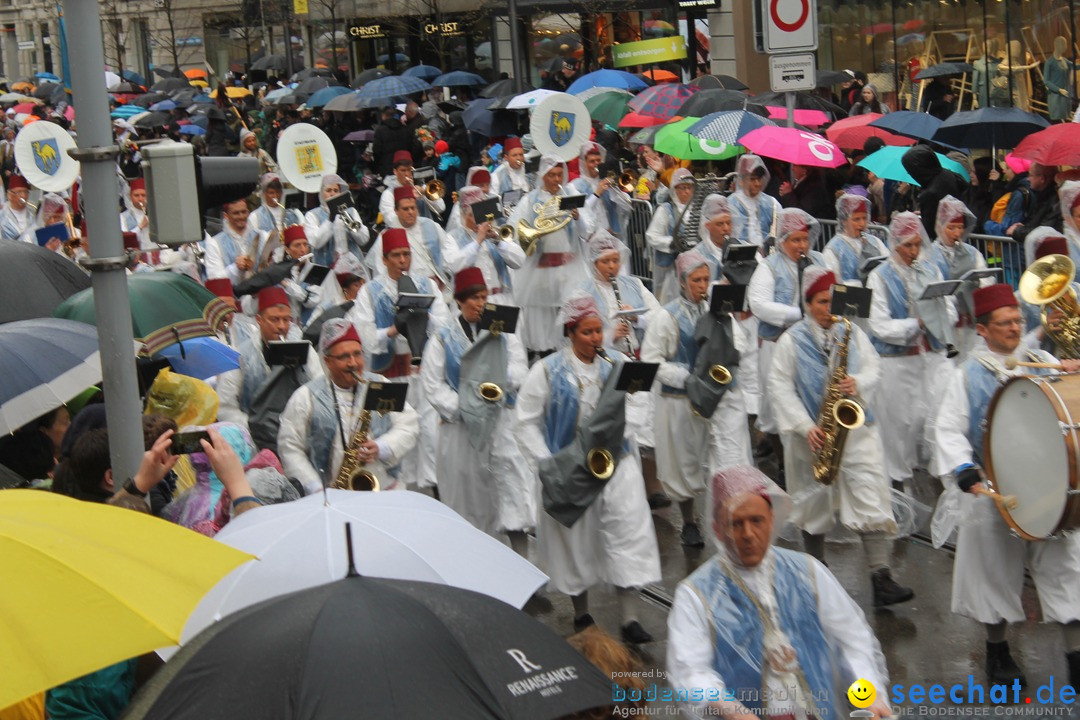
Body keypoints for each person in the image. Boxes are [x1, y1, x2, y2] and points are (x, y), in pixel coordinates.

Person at [932, 283, 1080, 687]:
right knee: (993, 573)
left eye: (1017, 319)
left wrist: (1073, 370)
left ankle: (1075, 656)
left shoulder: (1042, 359)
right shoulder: (966, 375)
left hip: (1050, 486)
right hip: (994, 491)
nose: (1015, 327)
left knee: (1067, 569)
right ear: (983, 329)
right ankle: (997, 650)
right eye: (1005, 323)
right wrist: (964, 468)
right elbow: (947, 428)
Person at [666, 465, 891, 720]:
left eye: (756, 521)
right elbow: (689, 671)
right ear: (718, 529)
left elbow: (852, 641)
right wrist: (734, 712)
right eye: (736, 524)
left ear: (771, 520)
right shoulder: (697, 594)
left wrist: (869, 697)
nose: (748, 534)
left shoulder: (807, 572)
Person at [515, 293, 661, 644]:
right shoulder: (547, 371)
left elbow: (640, 400)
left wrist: (622, 431)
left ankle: (630, 618)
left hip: (619, 463)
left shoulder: (620, 364)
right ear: (570, 332)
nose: (596, 338)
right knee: (574, 541)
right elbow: (525, 421)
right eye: (588, 332)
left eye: (599, 331)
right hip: (573, 467)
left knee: (628, 535)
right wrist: (547, 463)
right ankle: (582, 613)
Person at [769, 267, 914, 605]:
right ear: (807, 304)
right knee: (812, 503)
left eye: (832, 300)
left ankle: (882, 577)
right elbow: (779, 386)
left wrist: (858, 383)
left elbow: (874, 368)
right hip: (813, 437)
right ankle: (816, 574)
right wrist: (806, 427)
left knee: (871, 497)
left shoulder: (852, 332)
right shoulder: (791, 341)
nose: (828, 308)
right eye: (821, 302)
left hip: (857, 431)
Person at [642, 250, 753, 547]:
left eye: (706, 279)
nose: (703, 285)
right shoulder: (667, 317)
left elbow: (739, 345)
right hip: (681, 402)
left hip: (718, 400)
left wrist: (728, 321)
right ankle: (690, 521)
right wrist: (686, 377)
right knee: (685, 463)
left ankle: (725, 519)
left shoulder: (718, 310)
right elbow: (651, 360)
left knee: (724, 459)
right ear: (682, 281)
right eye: (696, 280)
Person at [419, 266, 534, 550]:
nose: (481, 303)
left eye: (484, 297)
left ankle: (521, 568)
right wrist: (468, 408)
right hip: (462, 432)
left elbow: (520, 368)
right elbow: (433, 385)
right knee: (470, 499)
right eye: (474, 298)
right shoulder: (442, 338)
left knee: (511, 494)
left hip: (502, 424)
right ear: (459, 300)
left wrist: (500, 379)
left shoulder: (503, 330)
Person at [348, 228, 448, 491]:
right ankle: (400, 486)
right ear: (384, 259)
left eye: (406, 254)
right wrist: (393, 329)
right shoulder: (370, 292)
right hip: (388, 372)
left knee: (427, 430)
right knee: (395, 428)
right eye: (396, 255)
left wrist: (422, 318)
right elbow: (364, 335)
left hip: (421, 370)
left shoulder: (427, 286)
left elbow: (444, 326)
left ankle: (429, 487)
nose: (403, 260)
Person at [866, 212, 957, 492]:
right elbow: (879, 325)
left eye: (918, 244)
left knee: (929, 419)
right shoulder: (878, 277)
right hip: (895, 363)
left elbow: (950, 308)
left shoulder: (930, 271)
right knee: (898, 427)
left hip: (929, 359)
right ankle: (897, 488)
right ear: (895, 243)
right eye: (908, 246)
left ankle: (931, 482)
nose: (914, 251)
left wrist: (939, 317)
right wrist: (916, 324)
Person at [278, 318, 420, 494]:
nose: (353, 363)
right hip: (330, 496)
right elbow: (290, 447)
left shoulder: (379, 384)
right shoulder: (305, 397)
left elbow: (409, 424)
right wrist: (315, 487)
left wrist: (381, 447)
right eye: (344, 356)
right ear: (327, 361)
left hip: (385, 491)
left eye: (357, 354)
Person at [748, 208, 826, 474]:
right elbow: (758, 304)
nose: (801, 246)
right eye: (795, 240)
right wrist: (798, 315)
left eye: (804, 239)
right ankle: (782, 462)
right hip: (778, 344)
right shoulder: (769, 267)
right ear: (782, 241)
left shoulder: (817, 261)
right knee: (776, 403)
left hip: (813, 345)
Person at [218, 285, 324, 453]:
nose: (282, 326)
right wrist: (253, 429)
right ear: (259, 320)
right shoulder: (240, 356)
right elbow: (226, 406)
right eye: (274, 319)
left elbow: (320, 389)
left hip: (299, 438)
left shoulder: (304, 351)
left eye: (286, 319)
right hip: (255, 442)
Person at [507, 154, 588, 356]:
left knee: (567, 312)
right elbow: (515, 229)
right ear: (543, 175)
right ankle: (545, 353)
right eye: (551, 175)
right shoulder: (530, 200)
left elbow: (587, 231)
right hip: (540, 269)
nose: (556, 180)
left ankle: (569, 352)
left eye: (560, 175)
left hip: (567, 268)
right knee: (542, 316)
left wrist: (578, 219)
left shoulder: (569, 195)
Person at [927, 196, 992, 359]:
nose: (957, 233)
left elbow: (986, 280)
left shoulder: (972, 253)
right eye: (951, 227)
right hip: (947, 323)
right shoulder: (929, 255)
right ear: (940, 226)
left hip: (970, 320)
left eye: (960, 227)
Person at [445, 184, 525, 305]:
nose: (479, 220)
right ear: (464, 215)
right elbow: (454, 266)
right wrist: (477, 242)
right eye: (473, 215)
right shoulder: (452, 237)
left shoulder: (496, 232)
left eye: (481, 214)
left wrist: (499, 242)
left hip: (502, 299)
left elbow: (520, 261)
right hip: (471, 303)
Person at [367, 185, 455, 295]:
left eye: (413, 208)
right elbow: (380, 271)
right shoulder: (387, 236)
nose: (411, 212)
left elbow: (449, 253)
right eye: (405, 209)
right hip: (407, 292)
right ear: (396, 211)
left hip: (438, 289)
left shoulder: (431, 226)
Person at [645, 167, 697, 304]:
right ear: (674, 189)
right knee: (669, 301)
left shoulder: (697, 210)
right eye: (682, 188)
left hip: (692, 267)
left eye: (689, 188)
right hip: (670, 268)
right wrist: (671, 242)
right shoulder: (665, 210)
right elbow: (651, 236)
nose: (686, 191)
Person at [901, 145, 968, 238]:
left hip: (943, 240)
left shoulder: (931, 193)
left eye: (910, 170)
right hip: (959, 232)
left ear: (918, 169)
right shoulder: (949, 174)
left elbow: (928, 229)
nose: (910, 174)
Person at [303, 173, 369, 266]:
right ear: (322, 193)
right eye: (328, 190)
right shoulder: (312, 215)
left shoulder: (350, 211)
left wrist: (350, 222)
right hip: (326, 265)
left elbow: (363, 240)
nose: (332, 193)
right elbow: (315, 242)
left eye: (336, 190)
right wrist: (330, 220)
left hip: (352, 265)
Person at [823, 193, 888, 286]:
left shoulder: (875, 242)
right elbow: (832, 284)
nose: (862, 223)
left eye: (864, 218)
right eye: (856, 219)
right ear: (844, 221)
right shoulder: (833, 249)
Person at [569, 141, 631, 239]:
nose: (596, 164)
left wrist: (614, 190)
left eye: (598, 161)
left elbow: (627, 207)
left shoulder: (605, 181)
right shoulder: (575, 186)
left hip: (610, 235)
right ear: (584, 164)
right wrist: (596, 194)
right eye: (592, 161)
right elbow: (581, 212)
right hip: (589, 239)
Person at [205, 198, 270, 284]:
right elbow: (214, 280)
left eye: (244, 212)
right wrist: (235, 269)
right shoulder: (215, 244)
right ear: (226, 216)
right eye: (236, 213)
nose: (241, 216)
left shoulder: (263, 237)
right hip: (234, 296)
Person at [379, 149, 445, 227]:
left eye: (409, 170)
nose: (407, 174)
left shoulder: (421, 187)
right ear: (395, 172)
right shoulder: (388, 194)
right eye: (403, 170)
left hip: (425, 231)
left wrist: (425, 194)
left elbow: (441, 207)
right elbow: (390, 220)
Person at [728, 154, 782, 250]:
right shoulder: (730, 204)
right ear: (741, 180)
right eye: (752, 179)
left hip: (768, 257)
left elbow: (781, 232)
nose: (757, 184)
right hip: (741, 257)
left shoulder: (772, 204)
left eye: (759, 179)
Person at [444, 166, 495, 236]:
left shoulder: (491, 200)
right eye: (481, 186)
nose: (486, 189)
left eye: (488, 185)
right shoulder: (460, 207)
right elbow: (459, 231)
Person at [250, 173, 303, 238]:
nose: (275, 196)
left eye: (278, 192)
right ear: (264, 194)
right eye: (271, 193)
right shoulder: (255, 216)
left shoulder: (295, 213)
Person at [119, 177, 151, 250]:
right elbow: (126, 240)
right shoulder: (123, 217)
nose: (140, 199)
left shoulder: (155, 214)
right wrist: (141, 226)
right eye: (136, 195)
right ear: (130, 196)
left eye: (143, 195)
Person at [0, 174, 33, 243]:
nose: (23, 196)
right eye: (19, 192)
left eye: (25, 192)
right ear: (10, 195)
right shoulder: (2, 216)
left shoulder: (32, 214)